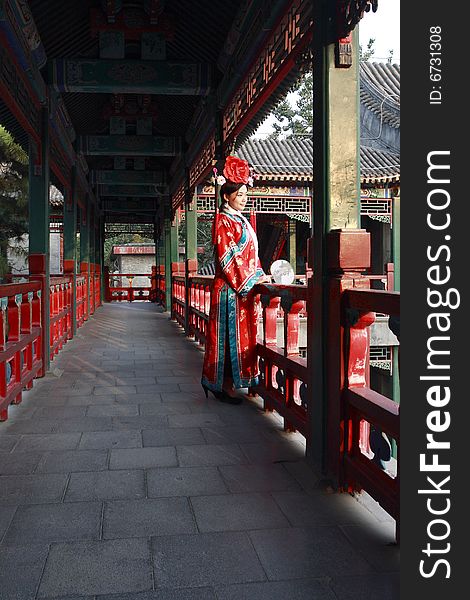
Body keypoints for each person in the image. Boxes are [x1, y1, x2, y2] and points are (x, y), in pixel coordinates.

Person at [201, 156, 269, 404]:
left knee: (242, 336)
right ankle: (222, 384)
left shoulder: (242, 221)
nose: (244, 198)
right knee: (227, 338)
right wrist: (248, 282)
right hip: (231, 290)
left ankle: (232, 382)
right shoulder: (223, 221)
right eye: (239, 194)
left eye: (245, 194)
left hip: (243, 290)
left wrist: (261, 275)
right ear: (227, 196)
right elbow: (228, 255)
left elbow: (252, 256)